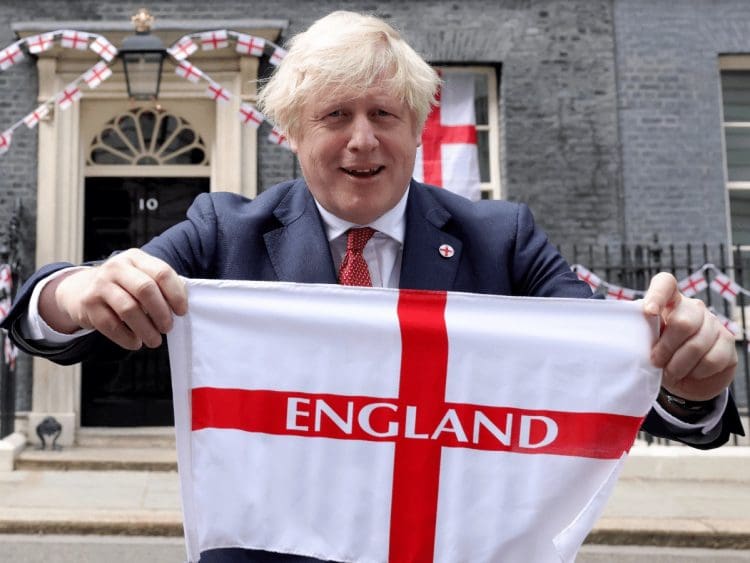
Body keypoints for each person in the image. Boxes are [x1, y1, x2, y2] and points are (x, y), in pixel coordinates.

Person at [1, 10, 744, 563]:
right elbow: (52, 316)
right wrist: (81, 289)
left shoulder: (500, 239)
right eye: (335, 115)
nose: (362, 139)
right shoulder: (224, 230)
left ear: (417, 126)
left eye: (384, 114)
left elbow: (612, 373)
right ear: (291, 130)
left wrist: (691, 376)